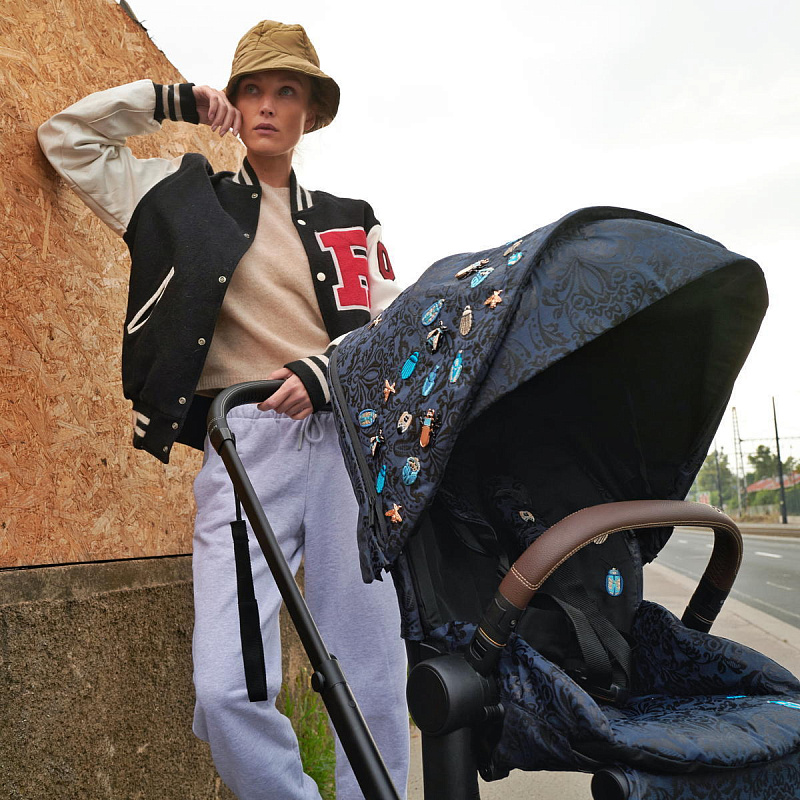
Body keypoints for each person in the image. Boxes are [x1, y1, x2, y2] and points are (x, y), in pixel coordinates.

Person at [37, 19, 409, 800]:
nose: (268, 105)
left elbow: (393, 332)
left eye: (287, 91)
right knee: (225, 686)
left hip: (345, 448)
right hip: (242, 444)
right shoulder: (179, 197)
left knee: (372, 670)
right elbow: (65, 139)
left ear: (310, 112)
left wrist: (327, 369)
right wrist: (169, 100)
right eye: (252, 89)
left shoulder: (351, 217)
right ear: (232, 103)